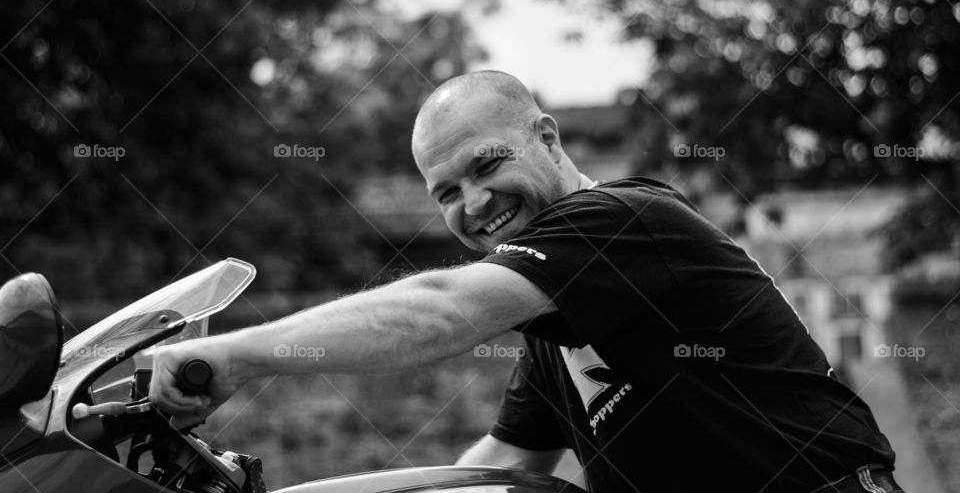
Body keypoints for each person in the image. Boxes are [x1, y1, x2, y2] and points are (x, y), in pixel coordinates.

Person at [150, 70, 904, 492]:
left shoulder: (626, 219)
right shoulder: (553, 330)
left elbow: (440, 309)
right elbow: (497, 469)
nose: (474, 205)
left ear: (545, 136)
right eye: (445, 193)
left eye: (486, 165)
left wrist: (231, 353)